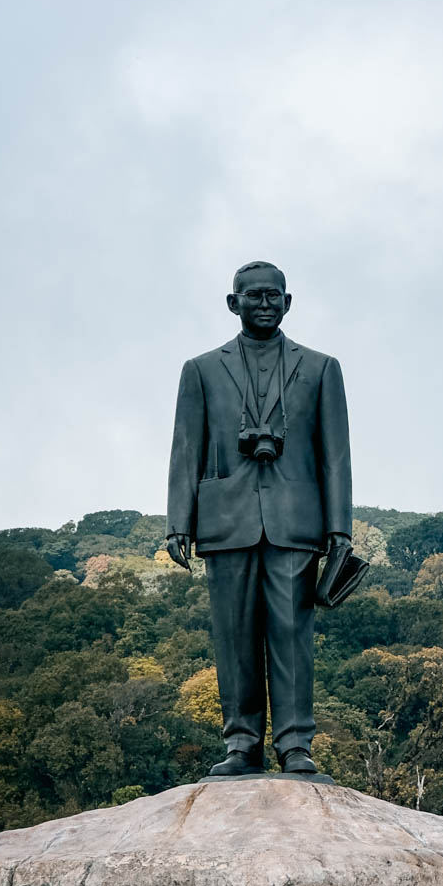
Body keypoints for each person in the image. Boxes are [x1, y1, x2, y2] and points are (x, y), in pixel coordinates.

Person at [166, 261, 351, 776]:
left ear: (288, 303)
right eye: (254, 296)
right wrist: (179, 520)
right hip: (225, 519)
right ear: (233, 303)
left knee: (292, 633)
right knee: (234, 634)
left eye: (274, 296)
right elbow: (186, 449)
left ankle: (295, 745)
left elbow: (335, 455)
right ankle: (241, 744)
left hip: (296, 520)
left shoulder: (320, 368)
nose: (265, 304)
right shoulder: (201, 369)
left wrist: (340, 528)